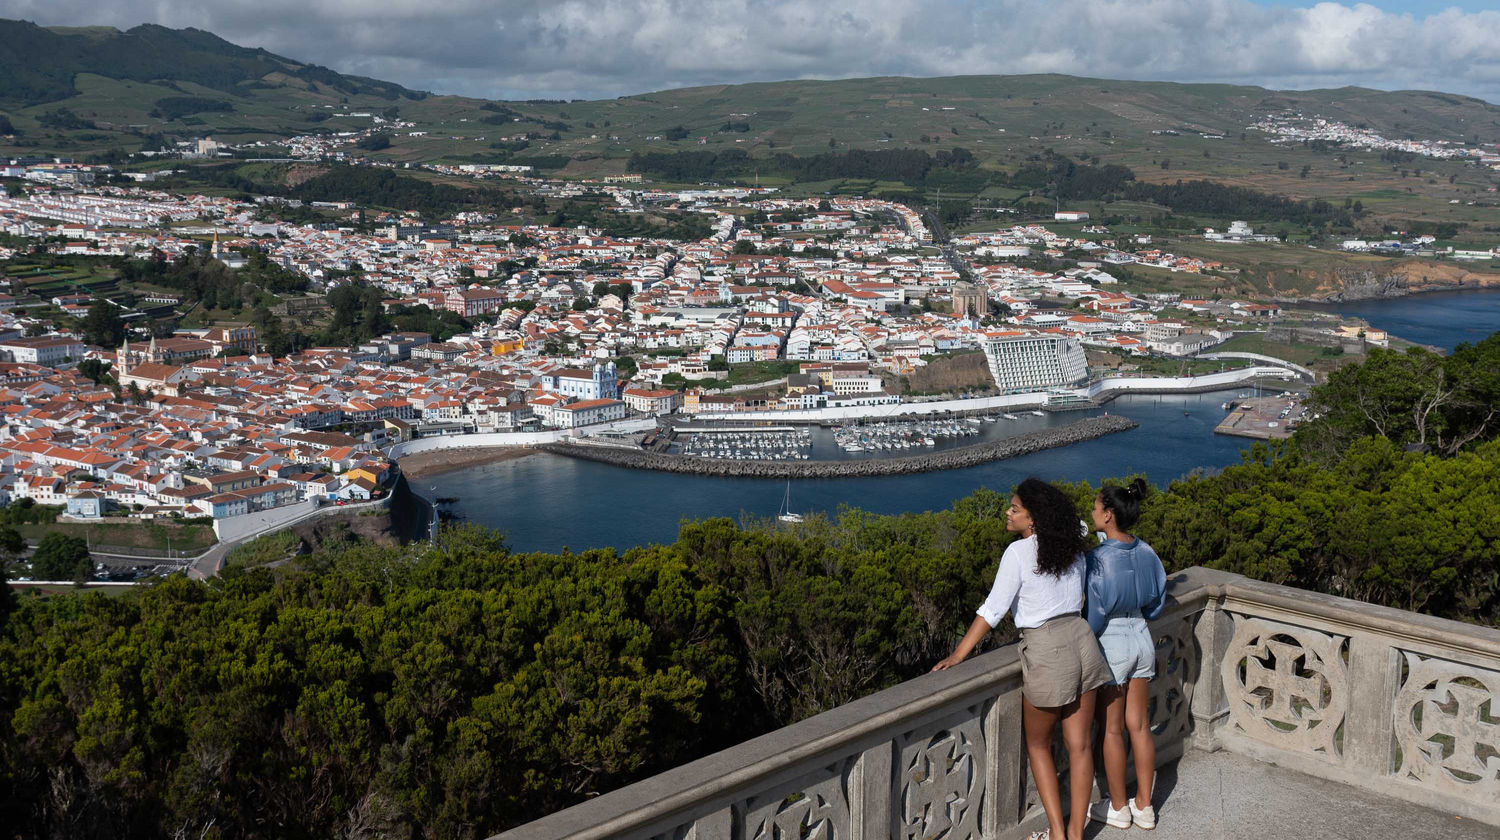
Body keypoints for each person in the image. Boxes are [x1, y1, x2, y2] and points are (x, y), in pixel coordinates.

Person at [933, 478, 1112, 840]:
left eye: (1015, 508)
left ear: (1033, 519)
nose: (1007, 512)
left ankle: (1058, 834)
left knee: (1038, 744)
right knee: (1079, 747)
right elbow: (1077, 523)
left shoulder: (1018, 553)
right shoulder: (1069, 542)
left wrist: (958, 654)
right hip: (1082, 640)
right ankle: (1076, 833)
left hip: (1048, 649)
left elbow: (993, 610)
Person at [1084, 478, 1167, 831]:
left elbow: (1095, 614)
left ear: (1107, 516)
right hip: (1142, 637)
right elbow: (1157, 602)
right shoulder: (1147, 552)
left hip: (1112, 641)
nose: (1091, 511)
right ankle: (1145, 807)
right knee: (1140, 725)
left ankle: (1118, 807)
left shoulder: (1098, 559)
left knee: (1113, 730)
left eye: (1095, 507)